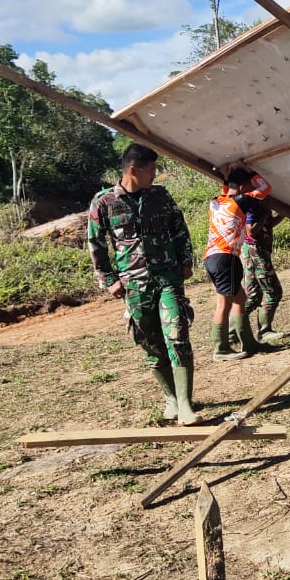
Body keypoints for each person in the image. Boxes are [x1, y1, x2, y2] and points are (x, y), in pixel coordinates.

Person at [87, 143, 199, 425]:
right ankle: (171, 399)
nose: (155, 176)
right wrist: (108, 279)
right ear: (133, 170)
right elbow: (96, 244)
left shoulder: (160, 196)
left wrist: (186, 260)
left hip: (168, 277)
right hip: (134, 285)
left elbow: (179, 228)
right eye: (151, 171)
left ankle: (186, 405)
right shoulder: (103, 202)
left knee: (177, 333)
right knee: (150, 342)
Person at [203, 163, 268, 359]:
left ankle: (248, 343)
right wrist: (252, 172)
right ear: (241, 187)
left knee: (240, 299)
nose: (250, 189)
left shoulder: (216, 202)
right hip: (226, 257)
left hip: (212, 257)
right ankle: (220, 349)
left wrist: (227, 177)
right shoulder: (241, 200)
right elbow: (265, 189)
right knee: (224, 303)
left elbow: (227, 191)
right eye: (248, 185)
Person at [240, 175, 283, 343]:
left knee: (252, 295)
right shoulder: (253, 203)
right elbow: (252, 231)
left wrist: (284, 214)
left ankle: (232, 330)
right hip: (254, 250)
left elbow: (268, 223)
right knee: (273, 291)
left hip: (255, 250)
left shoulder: (261, 202)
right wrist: (265, 211)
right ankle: (264, 331)